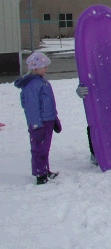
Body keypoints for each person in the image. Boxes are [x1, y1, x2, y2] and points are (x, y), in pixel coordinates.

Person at [14, 52, 62, 185]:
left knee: (45, 148)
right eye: (44, 66)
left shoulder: (42, 82)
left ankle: (45, 170)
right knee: (38, 148)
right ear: (35, 68)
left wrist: (54, 118)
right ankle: (40, 174)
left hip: (48, 120)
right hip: (40, 123)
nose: (47, 69)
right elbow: (32, 108)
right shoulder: (32, 86)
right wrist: (36, 126)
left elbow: (49, 103)